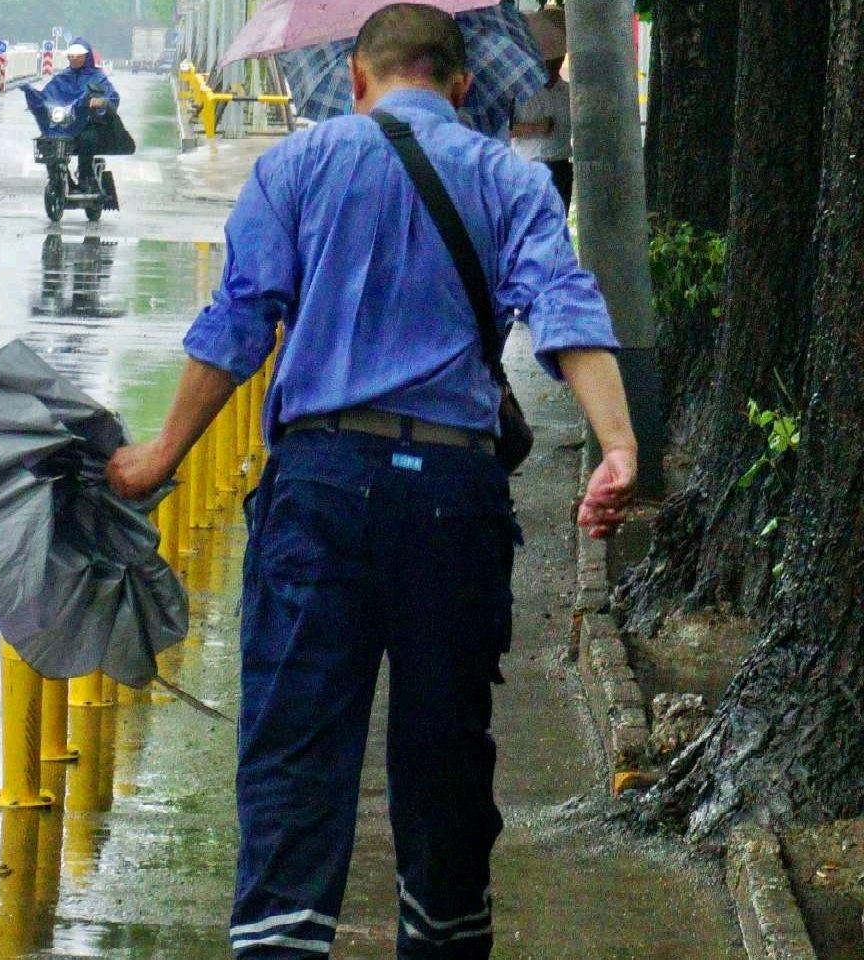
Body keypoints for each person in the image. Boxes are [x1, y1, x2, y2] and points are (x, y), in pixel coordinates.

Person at [106, 5, 636, 957]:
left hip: (320, 488)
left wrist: (159, 456)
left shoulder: (297, 166)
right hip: (452, 495)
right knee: (445, 752)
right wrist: (618, 446)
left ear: (356, 77)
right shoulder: (509, 178)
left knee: (294, 750)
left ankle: (280, 941)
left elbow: (240, 321)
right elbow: (564, 305)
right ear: (461, 85)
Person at [511, 3, 573, 213]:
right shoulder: (520, 91)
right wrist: (534, 128)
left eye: (558, 59)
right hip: (528, 166)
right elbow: (505, 128)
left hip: (560, 166)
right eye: (549, 59)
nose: (554, 63)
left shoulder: (568, 93)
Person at [42, 38, 120, 191]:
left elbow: (112, 98)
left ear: (86, 56)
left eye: (78, 56)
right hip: (64, 125)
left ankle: (85, 177)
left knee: (87, 138)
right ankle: (58, 178)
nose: (74, 59)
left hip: (88, 124)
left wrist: (101, 102)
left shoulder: (98, 77)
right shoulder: (62, 77)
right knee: (47, 143)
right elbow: (48, 94)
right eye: (71, 56)